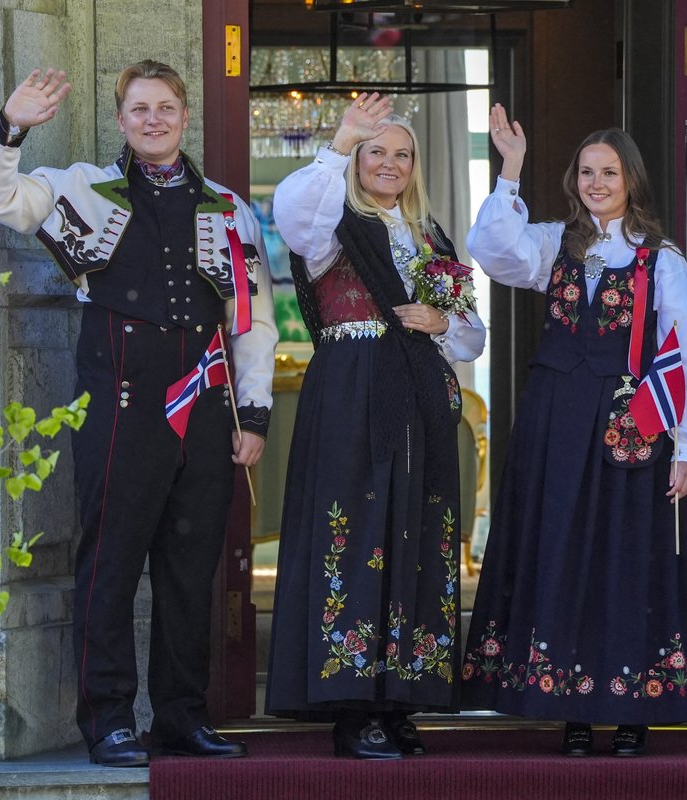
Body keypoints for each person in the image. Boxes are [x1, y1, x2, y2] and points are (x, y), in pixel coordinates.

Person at [0, 61, 277, 766]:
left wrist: (252, 415)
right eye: (140, 109)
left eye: (166, 107)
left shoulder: (228, 207)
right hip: (119, 402)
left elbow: (252, 319)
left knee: (189, 566)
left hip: (203, 404)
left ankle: (181, 717)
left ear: (185, 114)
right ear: (121, 118)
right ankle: (107, 719)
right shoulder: (82, 186)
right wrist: (11, 126)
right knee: (108, 563)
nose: (153, 119)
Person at [460, 105, 687, 757]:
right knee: (559, 554)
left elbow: (682, 349)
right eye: (585, 172)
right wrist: (510, 170)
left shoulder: (661, 261)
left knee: (624, 557)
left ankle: (630, 708)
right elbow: (493, 251)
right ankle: (569, 707)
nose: (596, 182)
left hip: (629, 426)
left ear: (631, 180)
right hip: (555, 424)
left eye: (608, 172)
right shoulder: (552, 244)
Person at [265, 94, 486, 759]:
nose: (389, 163)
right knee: (355, 531)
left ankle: (398, 698)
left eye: (401, 153)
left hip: (418, 394)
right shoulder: (333, 222)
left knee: (414, 536)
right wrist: (339, 142)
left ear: (415, 165)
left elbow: (471, 336)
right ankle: (350, 702)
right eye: (376, 151)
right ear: (357, 160)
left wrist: (440, 322)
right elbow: (294, 220)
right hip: (351, 388)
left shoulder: (430, 236)